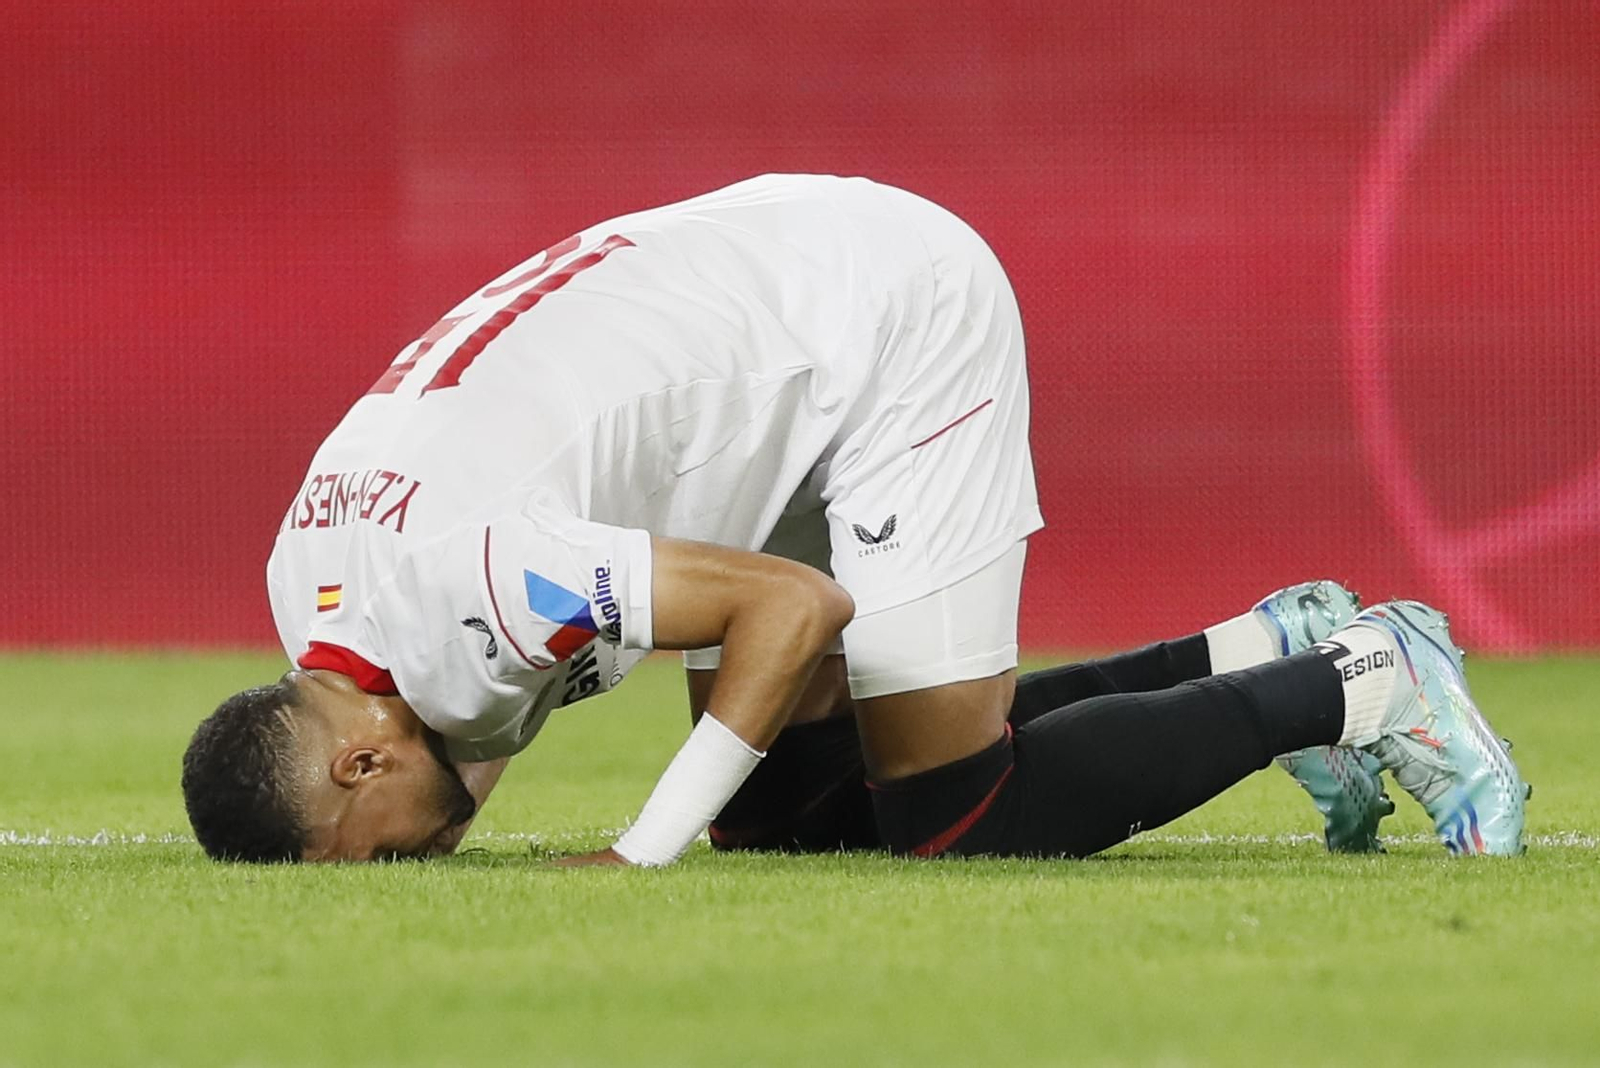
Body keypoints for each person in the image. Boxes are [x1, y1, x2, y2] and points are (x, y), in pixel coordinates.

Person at [180, 174, 1528, 865]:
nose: (423, 858)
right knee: (789, 812)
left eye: (385, 854)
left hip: (877, 319)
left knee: (957, 811)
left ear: (357, 765)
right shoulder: (321, 586)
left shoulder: (468, 581)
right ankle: (1264, 647)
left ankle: (1365, 681)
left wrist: (640, 849)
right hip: (752, 329)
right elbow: (468, 711)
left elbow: (790, 607)